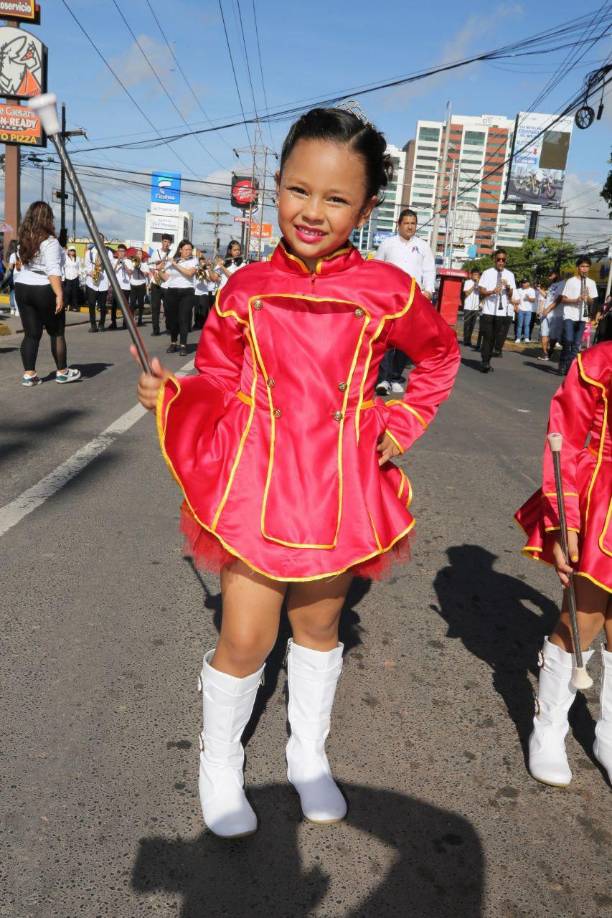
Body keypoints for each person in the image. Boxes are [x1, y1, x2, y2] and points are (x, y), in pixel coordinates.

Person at [134, 106, 460, 839]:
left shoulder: (388, 289)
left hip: (339, 492)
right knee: (247, 637)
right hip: (256, 486)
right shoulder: (245, 288)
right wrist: (175, 394)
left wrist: (400, 423)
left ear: (368, 208)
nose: (313, 212)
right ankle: (219, 761)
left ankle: (308, 753)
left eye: (337, 199)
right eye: (298, 190)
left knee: (318, 629)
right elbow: (218, 373)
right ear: (275, 185)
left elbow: (438, 357)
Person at [515, 315, 612, 788]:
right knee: (583, 617)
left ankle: (608, 736)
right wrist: (564, 521)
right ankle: (548, 728)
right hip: (602, 498)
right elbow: (567, 442)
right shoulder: (599, 363)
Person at [14, 201, 81, 387]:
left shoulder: (25, 237)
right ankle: (62, 372)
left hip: (22, 286)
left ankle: (29, 375)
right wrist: (59, 294)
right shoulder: (50, 242)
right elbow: (53, 270)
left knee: (31, 334)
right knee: (57, 332)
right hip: (43, 287)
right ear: (47, 218)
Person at [374, 208, 435, 394]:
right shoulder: (387, 244)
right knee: (387, 340)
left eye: (413, 223)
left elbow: (429, 270)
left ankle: (396, 377)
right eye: (406, 223)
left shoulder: (423, 246)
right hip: (390, 299)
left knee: (405, 341)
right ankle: (383, 379)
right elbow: (378, 269)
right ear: (399, 224)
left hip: (413, 300)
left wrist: (428, 290)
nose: (410, 226)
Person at [558, 255, 599, 376]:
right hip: (570, 315)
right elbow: (563, 299)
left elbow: (593, 301)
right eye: (582, 266)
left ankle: (569, 367)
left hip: (583, 316)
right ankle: (563, 363)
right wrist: (576, 300)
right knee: (569, 340)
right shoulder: (570, 281)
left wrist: (587, 297)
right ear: (578, 267)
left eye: (587, 266)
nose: (585, 269)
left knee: (576, 345)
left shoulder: (591, 283)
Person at [477, 249, 516, 372]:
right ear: (495, 260)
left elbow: (510, 295)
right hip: (488, 311)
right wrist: (492, 291)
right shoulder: (487, 273)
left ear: (505, 261)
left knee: (495, 338)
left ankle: (488, 360)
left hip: (501, 312)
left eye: (503, 260)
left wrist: (508, 287)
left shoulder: (510, 275)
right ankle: (485, 362)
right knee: (487, 337)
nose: (500, 262)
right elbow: (481, 291)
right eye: (498, 259)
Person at [162, 239, 197, 356]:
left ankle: (183, 345)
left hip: (187, 292)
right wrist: (159, 269)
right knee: (172, 319)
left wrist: (175, 264)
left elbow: (189, 273)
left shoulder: (193, 261)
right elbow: (166, 277)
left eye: (190, 250)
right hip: (172, 291)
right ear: (180, 250)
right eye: (186, 249)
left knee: (184, 318)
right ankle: (173, 343)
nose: (188, 252)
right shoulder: (174, 260)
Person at [85, 233, 113, 332]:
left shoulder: (108, 252)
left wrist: (104, 264)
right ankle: (93, 325)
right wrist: (90, 272)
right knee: (91, 304)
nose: (99, 241)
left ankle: (101, 324)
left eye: (101, 239)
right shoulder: (89, 252)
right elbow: (87, 267)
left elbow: (111, 266)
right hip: (91, 283)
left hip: (103, 282)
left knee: (102, 305)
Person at [537, 269, 564, 362]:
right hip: (545, 313)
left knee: (553, 336)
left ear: (556, 274)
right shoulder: (552, 285)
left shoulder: (563, 284)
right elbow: (547, 296)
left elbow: (559, 299)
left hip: (556, 314)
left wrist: (548, 309)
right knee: (544, 334)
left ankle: (551, 350)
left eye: (550, 275)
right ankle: (545, 353)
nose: (549, 277)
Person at [149, 234, 173, 336]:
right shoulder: (156, 253)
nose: (166, 244)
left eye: (168, 242)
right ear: (162, 242)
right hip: (156, 283)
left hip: (167, 283)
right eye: (165, 241)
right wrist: (155, 271)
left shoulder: (172, 254)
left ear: (170, 243)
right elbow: (150, 266)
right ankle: (156, 330)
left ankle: (168, 327)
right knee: (155, 307)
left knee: (168, 308)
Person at [112, 243, 132, 330]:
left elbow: (130, 272)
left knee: (125, 306)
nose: (121, 253)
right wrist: (117, 262)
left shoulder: (129, 261)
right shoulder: (114, 260)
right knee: (114, 306)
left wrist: (124, 264)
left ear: (125, 252)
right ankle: (113, 323)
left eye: (122, 251)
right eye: (119, 251)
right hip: (116, 286)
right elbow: (112, 271)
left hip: (126, 286)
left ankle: (125, 323)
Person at [128, 247, 149, 327]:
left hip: (141, 284)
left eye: (140, 254)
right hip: (133, 284)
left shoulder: (144, 264)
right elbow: (129, 272)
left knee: (141, 303)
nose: (139, 255)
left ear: (142, 256)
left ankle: (140, 318)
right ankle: (132, 318)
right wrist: (134, 266)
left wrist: (139, 267)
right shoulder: (132, 262)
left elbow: (146, 274)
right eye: (137, 254)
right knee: (132, 302)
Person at [461, 268, 481, 347]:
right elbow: (466, 294)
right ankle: (466, 340)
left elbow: (482, 293)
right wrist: (474, 286)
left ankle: (469, 339)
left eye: (477, 275)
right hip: (468, 306)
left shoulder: (480, 283)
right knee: (467, 324)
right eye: (475, 275)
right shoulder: (467, 282)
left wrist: (478, 284)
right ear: (471, 275)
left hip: (475, 307)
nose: (476, 276)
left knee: (472, 325)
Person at [514, 278, 536, 343]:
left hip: (528, 310)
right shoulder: (518, 290)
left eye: (525, 283)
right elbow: (516, 300)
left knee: (527, 325)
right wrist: (516, 307)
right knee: (519, 325)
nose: (523, 284)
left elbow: (533, 300)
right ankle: (518, 338)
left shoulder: (532, 290)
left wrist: (528, 298)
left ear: (528, 283)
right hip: (520, 309)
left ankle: (526, 338)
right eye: (523, 283)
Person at [193, 254, 210, 330]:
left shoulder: (207, 270)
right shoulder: (196, 270)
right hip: (196, 291)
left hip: (204, 292)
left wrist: (205, 275)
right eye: (201, 261)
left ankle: (203, 323)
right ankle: (196, 323)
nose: (202, 263)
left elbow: (209, 280)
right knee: (196, 309)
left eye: (203, 261)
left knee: (203, 308)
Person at [63, 245, 81, 312]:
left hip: (75, 277)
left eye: (73, 250)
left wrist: (79, 274)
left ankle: (75, 307)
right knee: (67, 292)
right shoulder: (65, 258)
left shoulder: (78, 258)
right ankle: (65, 306)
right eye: (71, 250)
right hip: (67, 277)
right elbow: (63, 267)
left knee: (75, 293)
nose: (72, 252)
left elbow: (79, 268)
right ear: (69, 251)